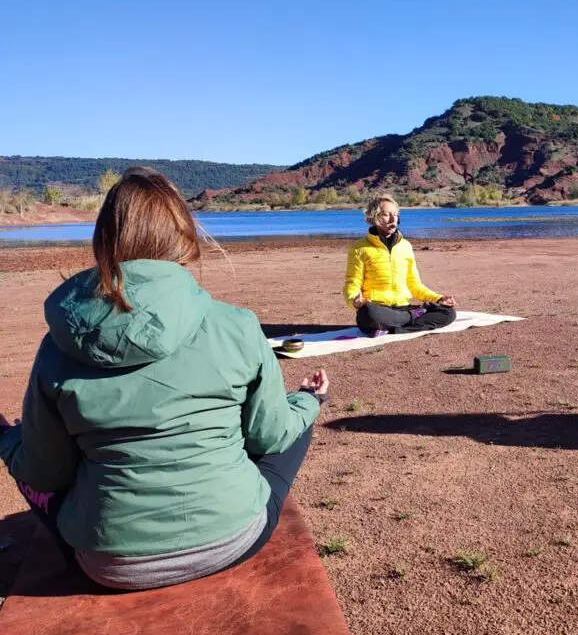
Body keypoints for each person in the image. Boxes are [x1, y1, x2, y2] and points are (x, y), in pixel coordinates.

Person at [0, 167, 328, 591]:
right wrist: (308, 400)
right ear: (184, 236)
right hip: (231, 539)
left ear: (105, 238)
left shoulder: (58, 345)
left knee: (35, 448)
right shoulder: (237, 326)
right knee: (292, 423)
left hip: (109, 566)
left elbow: (44, 471)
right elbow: (271, 436)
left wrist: (6, 439)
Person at [344, 194, 457, 336]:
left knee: (448, 313)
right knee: (368, 313)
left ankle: (393, 327)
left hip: (403, 308)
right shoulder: (358, 247)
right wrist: (354, 301)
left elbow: (415, 285)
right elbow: (352, 283)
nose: (393, 220)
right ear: (374, 217)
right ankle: (410, 320)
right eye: (386, 215)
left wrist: (439, 299)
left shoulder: (405, 246)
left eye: (396, 215)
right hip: (378, 309)